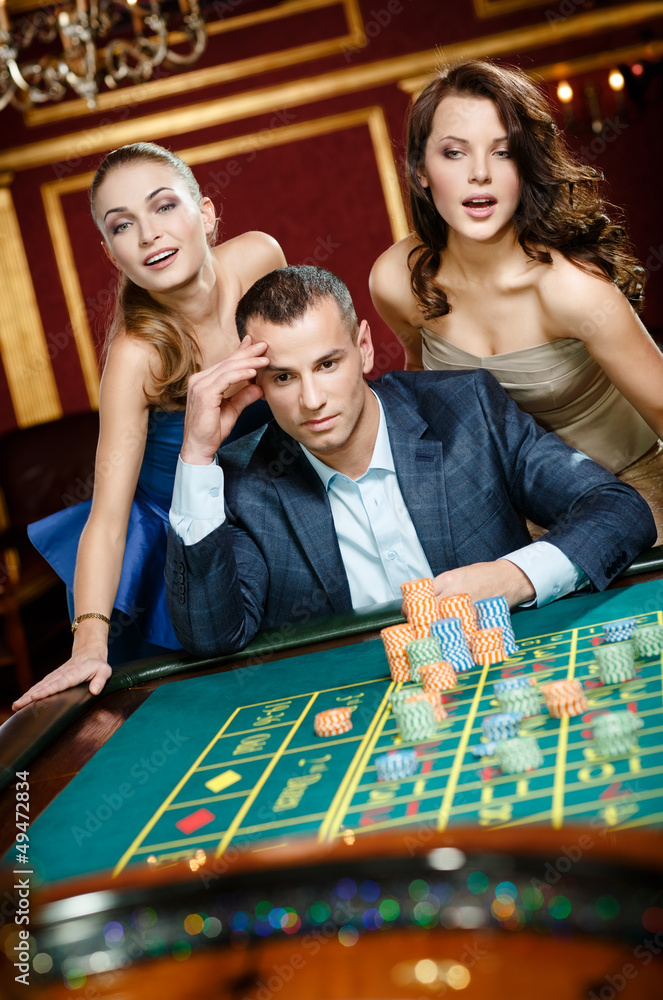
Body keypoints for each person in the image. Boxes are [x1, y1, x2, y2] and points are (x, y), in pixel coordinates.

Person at [164, 266, 654, 658]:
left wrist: (513, 578)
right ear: (259, 384)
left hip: (507, 670)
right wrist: (195, 457)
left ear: (364, 347)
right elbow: (213, 638)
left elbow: (618, 510)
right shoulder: (241, 481)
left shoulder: (466, 411)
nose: (312, 399)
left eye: (327, 364)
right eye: (284, 378)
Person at [13, 142, 286, 710]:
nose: (147, 235)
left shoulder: (261, 256)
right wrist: (88, 640)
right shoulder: (138, 355)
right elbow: (108, 518)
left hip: (273, 498)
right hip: (177, 538)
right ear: (112, 253)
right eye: (122, 226)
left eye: (163, 207)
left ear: (206, 214)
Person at [369, 58, 663, 541]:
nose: (480, 173)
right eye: (454, 153)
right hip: (507, 512)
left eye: (503, 152)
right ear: (421, 169)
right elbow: (426, 394)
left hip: (632, 488)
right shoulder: (396, 281)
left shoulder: (573, 289)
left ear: (526, 168)